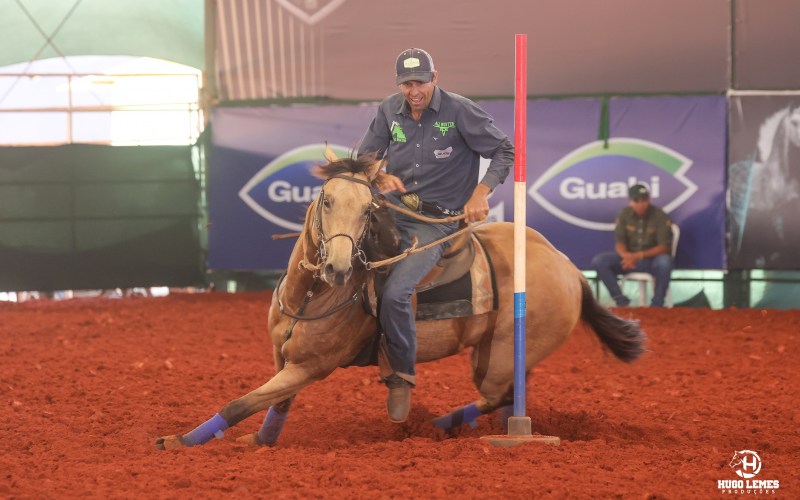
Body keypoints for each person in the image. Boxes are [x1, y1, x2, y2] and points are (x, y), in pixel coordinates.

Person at [357, 48, 514, 423]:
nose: (414, 91)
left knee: (396, 293)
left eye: (420, 82)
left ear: (434, 78)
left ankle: (401, 375)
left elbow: (503, 150)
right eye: (407, 83)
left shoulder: (460, 110)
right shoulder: (387, 110)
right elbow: (366, 158)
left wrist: (481, 192)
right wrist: (377, 176)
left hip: (435, 223)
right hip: (390, 212)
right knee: (342, 260)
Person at [591, 184, 674, 307]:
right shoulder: (624, 214)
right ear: (630, 202)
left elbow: (665, 247)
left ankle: (657, 305)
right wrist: (626, 256)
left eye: (644, 200)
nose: (641, 204)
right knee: (600, 261)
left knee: (665, 262)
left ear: (649, 200)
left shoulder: (660, 215)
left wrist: (638, 256)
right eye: (637, 201)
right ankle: (621, 301)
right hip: (628, 261)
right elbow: (620, 242)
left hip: (651, 261)